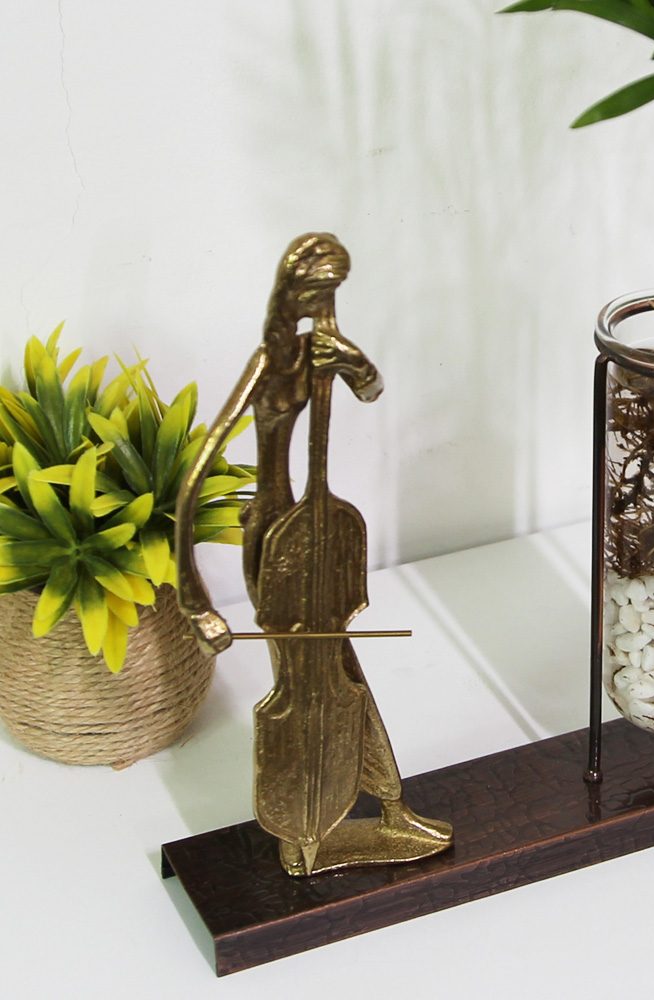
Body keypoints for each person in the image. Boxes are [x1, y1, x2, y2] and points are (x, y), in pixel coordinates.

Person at [175, 233, 452, 876]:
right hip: (273, 541)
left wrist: (354, 362)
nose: (323, 307)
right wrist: (197, 605)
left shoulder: (317, 353)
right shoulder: (267, 362)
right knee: (314, 685)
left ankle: (378, 810)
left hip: (312, 533)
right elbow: (193, 482)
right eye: (315, 294)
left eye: (333, 295)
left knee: (340, 679)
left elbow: (372, 390)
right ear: (290, 293)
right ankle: (316, 824)